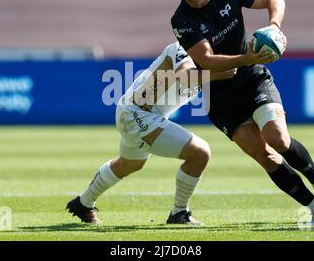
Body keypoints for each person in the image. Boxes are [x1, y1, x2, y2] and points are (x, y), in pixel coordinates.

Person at [170, 0, 314, 227]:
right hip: (221, 99)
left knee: (278, 139)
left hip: (253, 82)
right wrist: (248, 57)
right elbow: (206, 61)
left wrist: (274, 25)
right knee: (264, 156)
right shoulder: (182, 18)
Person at [66, 41, 236, 225]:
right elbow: (185, 76)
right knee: (200, 153)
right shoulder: (181, 48)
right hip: (139, 114)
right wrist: (225, 69)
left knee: (129, 164)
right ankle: (179, 213)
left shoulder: (210, 62)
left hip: (135, 112)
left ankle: (83, 203)